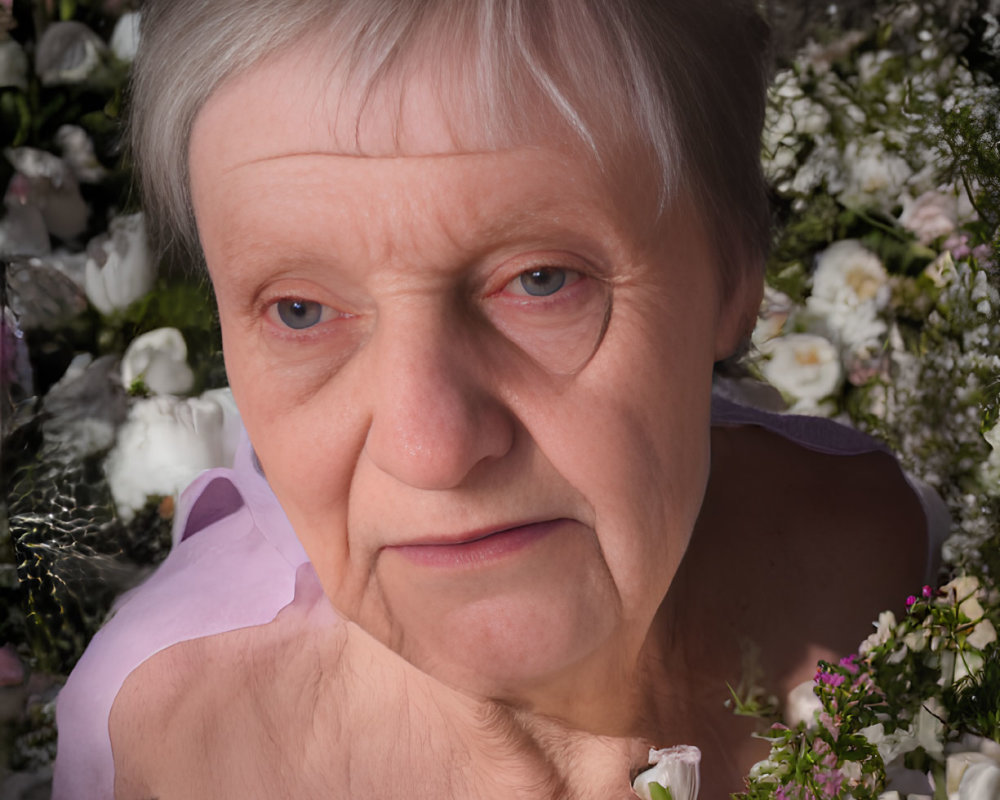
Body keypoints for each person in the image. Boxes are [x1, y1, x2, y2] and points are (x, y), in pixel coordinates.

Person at [52, 1, 946, 797]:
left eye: (543, 281)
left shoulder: (871, 562)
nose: (429, 446)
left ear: (734, 274)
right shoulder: (165, 750)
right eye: (301, 309)